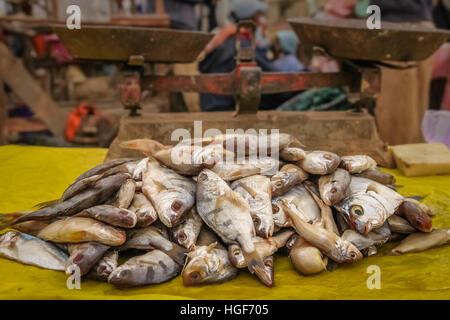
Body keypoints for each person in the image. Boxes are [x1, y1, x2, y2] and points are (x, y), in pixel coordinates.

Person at [324, 0, 436, 145]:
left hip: (392, 30)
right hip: (424, 27)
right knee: (416, 104)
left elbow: (345, 7)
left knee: (394, 106)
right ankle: (414, 155)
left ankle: (396, 156)